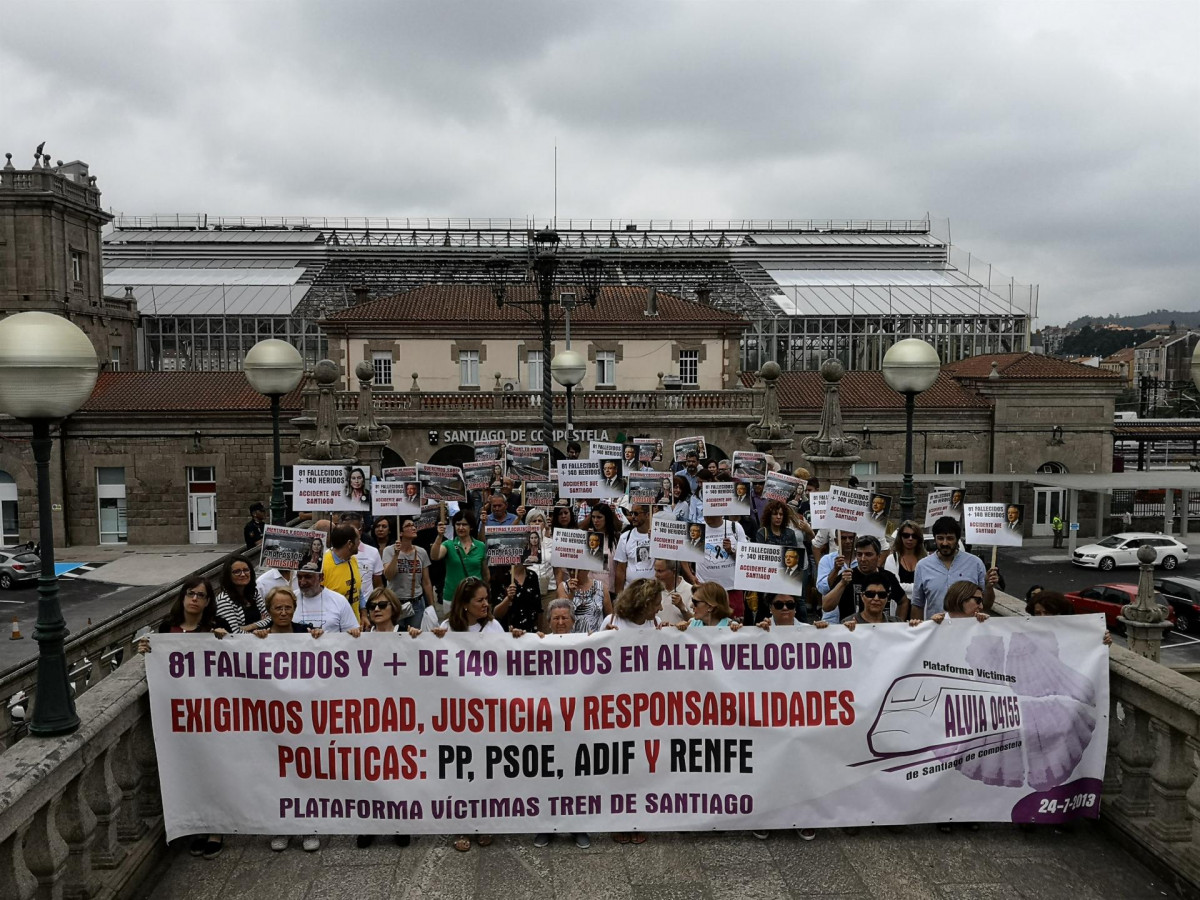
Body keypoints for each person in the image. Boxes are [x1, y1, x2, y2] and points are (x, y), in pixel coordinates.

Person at [136, 576, 230, 859]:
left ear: (208, 602)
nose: (195, 599)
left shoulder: (214, 629)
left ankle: (217, 828)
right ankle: (198, 826)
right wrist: (147, 651)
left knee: (215, 770)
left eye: (201, 595)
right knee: (191, 772)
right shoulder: (167, 629)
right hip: (183, 717)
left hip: (212, 714)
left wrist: (226, 642)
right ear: (182, 597)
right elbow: (160, 665)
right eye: (191, 594)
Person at [911, 517, 999, 620]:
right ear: (934, 538)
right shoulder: (923, 566)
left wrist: (989, 587)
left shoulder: (975, 564)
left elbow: (985, 605)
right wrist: (918, 632)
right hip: (936, 631)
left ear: (957, 539)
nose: (944, 543)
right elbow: (917, 604)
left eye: (950, 538)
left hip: (968, 630)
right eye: (940, 538)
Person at [823, 535, 908, 623]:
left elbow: (903, 601)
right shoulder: (846, 577)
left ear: (878, 556)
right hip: (853, 630)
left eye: (868, 554)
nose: (863, 559)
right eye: (859, 554)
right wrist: (842, 584)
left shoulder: (888, 577)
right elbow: (826, 607)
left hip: (882, 632)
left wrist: (898, 626)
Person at [382, 516, 436, 630]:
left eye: (413, 525)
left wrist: (431, 606)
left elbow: (426, 582)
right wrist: (396, 555)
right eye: (408, 526)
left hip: (416, 602)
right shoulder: (389, 551)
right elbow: (388, 575)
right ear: (400, 533)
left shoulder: (421, 552)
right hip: (395, 603)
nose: (413, 528)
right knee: (396, 637)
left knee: (414, 638)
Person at [430, 507, 486, 608]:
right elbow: (435, 556)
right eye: (457, 524)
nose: (460, 528)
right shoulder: (448, 544)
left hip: (475, 598)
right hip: (452, 597)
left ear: (471, 527)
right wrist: (439, 536)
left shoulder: (481, 546)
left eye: (464, 524)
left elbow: (485, 574)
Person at [292, 563, 361, 634]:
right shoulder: (290, 599)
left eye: (308, 577)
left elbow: (352, 632)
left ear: (321, 577)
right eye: (299, 577)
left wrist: (354, 631)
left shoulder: (339, 600)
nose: (302, 582)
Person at [1028, 589, 1112, 645]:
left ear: (1059, 612)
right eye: (1038, 613)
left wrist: (1102, 641)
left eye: (1047, 612)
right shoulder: (1027, 632)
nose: (1042, 617)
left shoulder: (1077, 631)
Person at [214, 555, 268, 633]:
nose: (243, 574)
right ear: (228, 575)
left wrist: (249, 627)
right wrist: (258, 630)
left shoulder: (254, 593)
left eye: (246, 570)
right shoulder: (224, 599)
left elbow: (270, 619)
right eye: (237, 571)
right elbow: (235, 632)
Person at [322, 524, 364, 620]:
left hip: (354, 628)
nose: (360, 543)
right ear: (349, 544)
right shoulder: (323, 566)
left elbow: (358, 591)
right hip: (333, 629)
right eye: (358, 539)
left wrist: (364, 613)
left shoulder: (353, 560)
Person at [251, 587, 323, 637]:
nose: (283, 613)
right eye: (278, 608)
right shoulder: (260, 633)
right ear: (269, 610)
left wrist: (319, 636)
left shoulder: (307, 631)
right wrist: (255, 638)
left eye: (288, 608)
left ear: (294, 609)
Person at [613, 504, 654, 591]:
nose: (632, 517)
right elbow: (620, 569)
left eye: (636, 513)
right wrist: (619, 597)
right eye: (631, 513)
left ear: (647, 515)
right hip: (631, 591)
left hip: (653, 591)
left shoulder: (658, 536)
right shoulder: (625, 537)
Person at [884, 521, 925, 607]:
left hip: (921, 607)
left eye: (914, 536)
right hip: (899, 607)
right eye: (906, 535)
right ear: (900, 537)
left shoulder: (925, 559)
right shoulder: (892, 559)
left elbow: (928, 585)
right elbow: (894, 586)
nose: (910, 539)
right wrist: (919, 587)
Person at [559, 567, 610, 634]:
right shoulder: (563, 587)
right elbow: (561, 615)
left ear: (587, 570)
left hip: (596, 638)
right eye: (570, 570)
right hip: (572, 639)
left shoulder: (601, 587)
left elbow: (609, 616)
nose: (572, 573)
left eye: (577, 570)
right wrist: (570, 595)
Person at [653, 558, 693, 625]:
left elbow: (697, 623)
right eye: (655, 570)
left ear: (674, 571)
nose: (656, 575)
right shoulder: (653, 590)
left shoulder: (691, 591)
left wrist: (682, 608)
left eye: (660, 571)